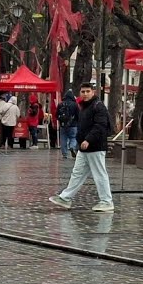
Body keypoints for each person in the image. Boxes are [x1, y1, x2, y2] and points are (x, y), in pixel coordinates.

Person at [48, 82, 114, 212]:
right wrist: (81, 140)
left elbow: (100, 126)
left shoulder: (98, 106)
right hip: (84, 147)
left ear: (93, 92)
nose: (85, 94)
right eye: (83, 92)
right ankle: (66, 198)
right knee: (77, 173)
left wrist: (88, 140)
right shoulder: (84, 106)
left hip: (95, 146)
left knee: (99, 174)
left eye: (88, 91)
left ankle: (106, 201)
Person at [55, 90, 80, 159]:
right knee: (73, 137)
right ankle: (72, 147)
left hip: (63, 125)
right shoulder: (75, 104)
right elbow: (78, 115)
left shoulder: (60, 104)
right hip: (73, 125)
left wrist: (60, 120)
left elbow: (56, 114)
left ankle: (64, 154)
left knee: (63, 138)